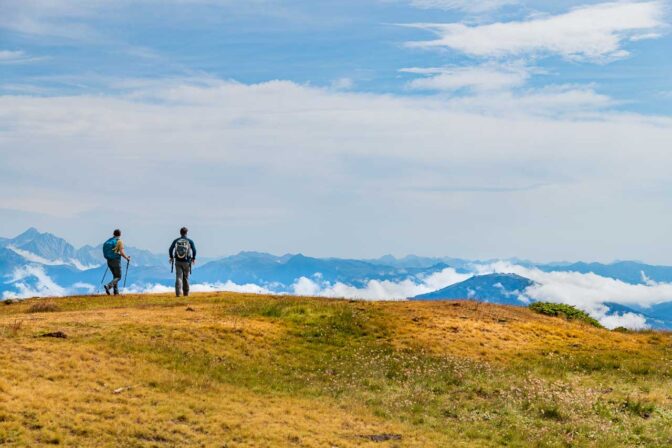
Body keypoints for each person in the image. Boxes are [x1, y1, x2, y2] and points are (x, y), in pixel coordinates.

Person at [169, 227, 197, 297]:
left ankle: (178, 294)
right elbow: (194, 250)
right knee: (186, 278)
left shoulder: (176, 240)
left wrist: (171, 257)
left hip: (178, 261)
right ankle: (186, 294)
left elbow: (170, 249)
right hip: (187, 261)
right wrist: (193, 258)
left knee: (178, 277)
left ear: (180, 233)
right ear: (186, 233)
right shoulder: (190, 241)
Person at [102, 229, 131, 295]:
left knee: (115, 276)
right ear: (120, 234)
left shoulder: (109, 240)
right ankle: (108, 286)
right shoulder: (119, 242)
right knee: (118, 276)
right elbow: (121, 252)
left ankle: (116, 293)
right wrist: (127, 258)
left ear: (113, 234)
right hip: (116, 260)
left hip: (109, 261)